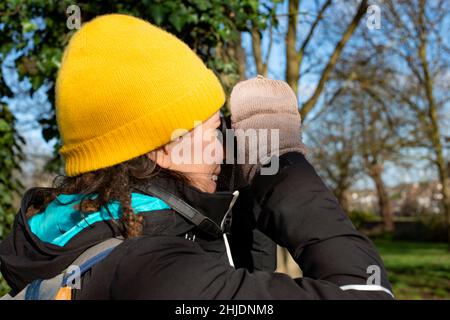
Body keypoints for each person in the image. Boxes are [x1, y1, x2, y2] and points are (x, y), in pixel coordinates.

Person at [0, 14, 393, 299]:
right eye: (211, 131)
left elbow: (238, 283)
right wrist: (283, 166)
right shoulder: (157, 276)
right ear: (163, 150)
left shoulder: (77, 241)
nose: (225, 147)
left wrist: (243, 195)